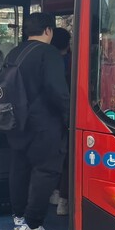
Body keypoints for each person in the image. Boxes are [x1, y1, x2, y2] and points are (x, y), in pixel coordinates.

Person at [8, 13, 70, 230]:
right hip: (44, 124)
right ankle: (32, 226)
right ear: (48, 30)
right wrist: (71, 116)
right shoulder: (49, 53)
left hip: (16, 122)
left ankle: (19, 218)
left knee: (19, 169)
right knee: (46, 171)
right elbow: (57, 91)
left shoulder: (15, 52)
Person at [49, 27, 71, 216]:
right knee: (68, 158)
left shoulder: (48, 61)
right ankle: (63, 200)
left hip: (50, 117)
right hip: (68, 116)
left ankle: (55, 193)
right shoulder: (73, 62)